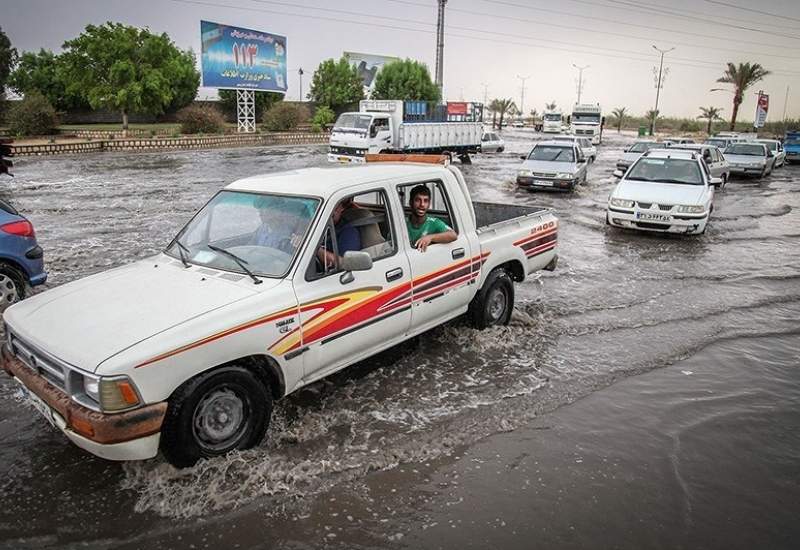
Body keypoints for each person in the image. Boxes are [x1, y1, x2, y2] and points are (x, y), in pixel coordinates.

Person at [406, 185, 457, 252]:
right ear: (410, 202)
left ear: (429, 204)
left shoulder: (433, 222)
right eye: (418, 200)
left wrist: (430, 237)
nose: (422, 204)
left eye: (426, 201)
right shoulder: (403, 223)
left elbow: (453, 235)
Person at [317, 199, 362, 270]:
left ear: (342, 208)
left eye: (334, 207)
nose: (330, 211)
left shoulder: (348, 232)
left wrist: (316, 250)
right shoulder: (315, 225)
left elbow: (345, 264)